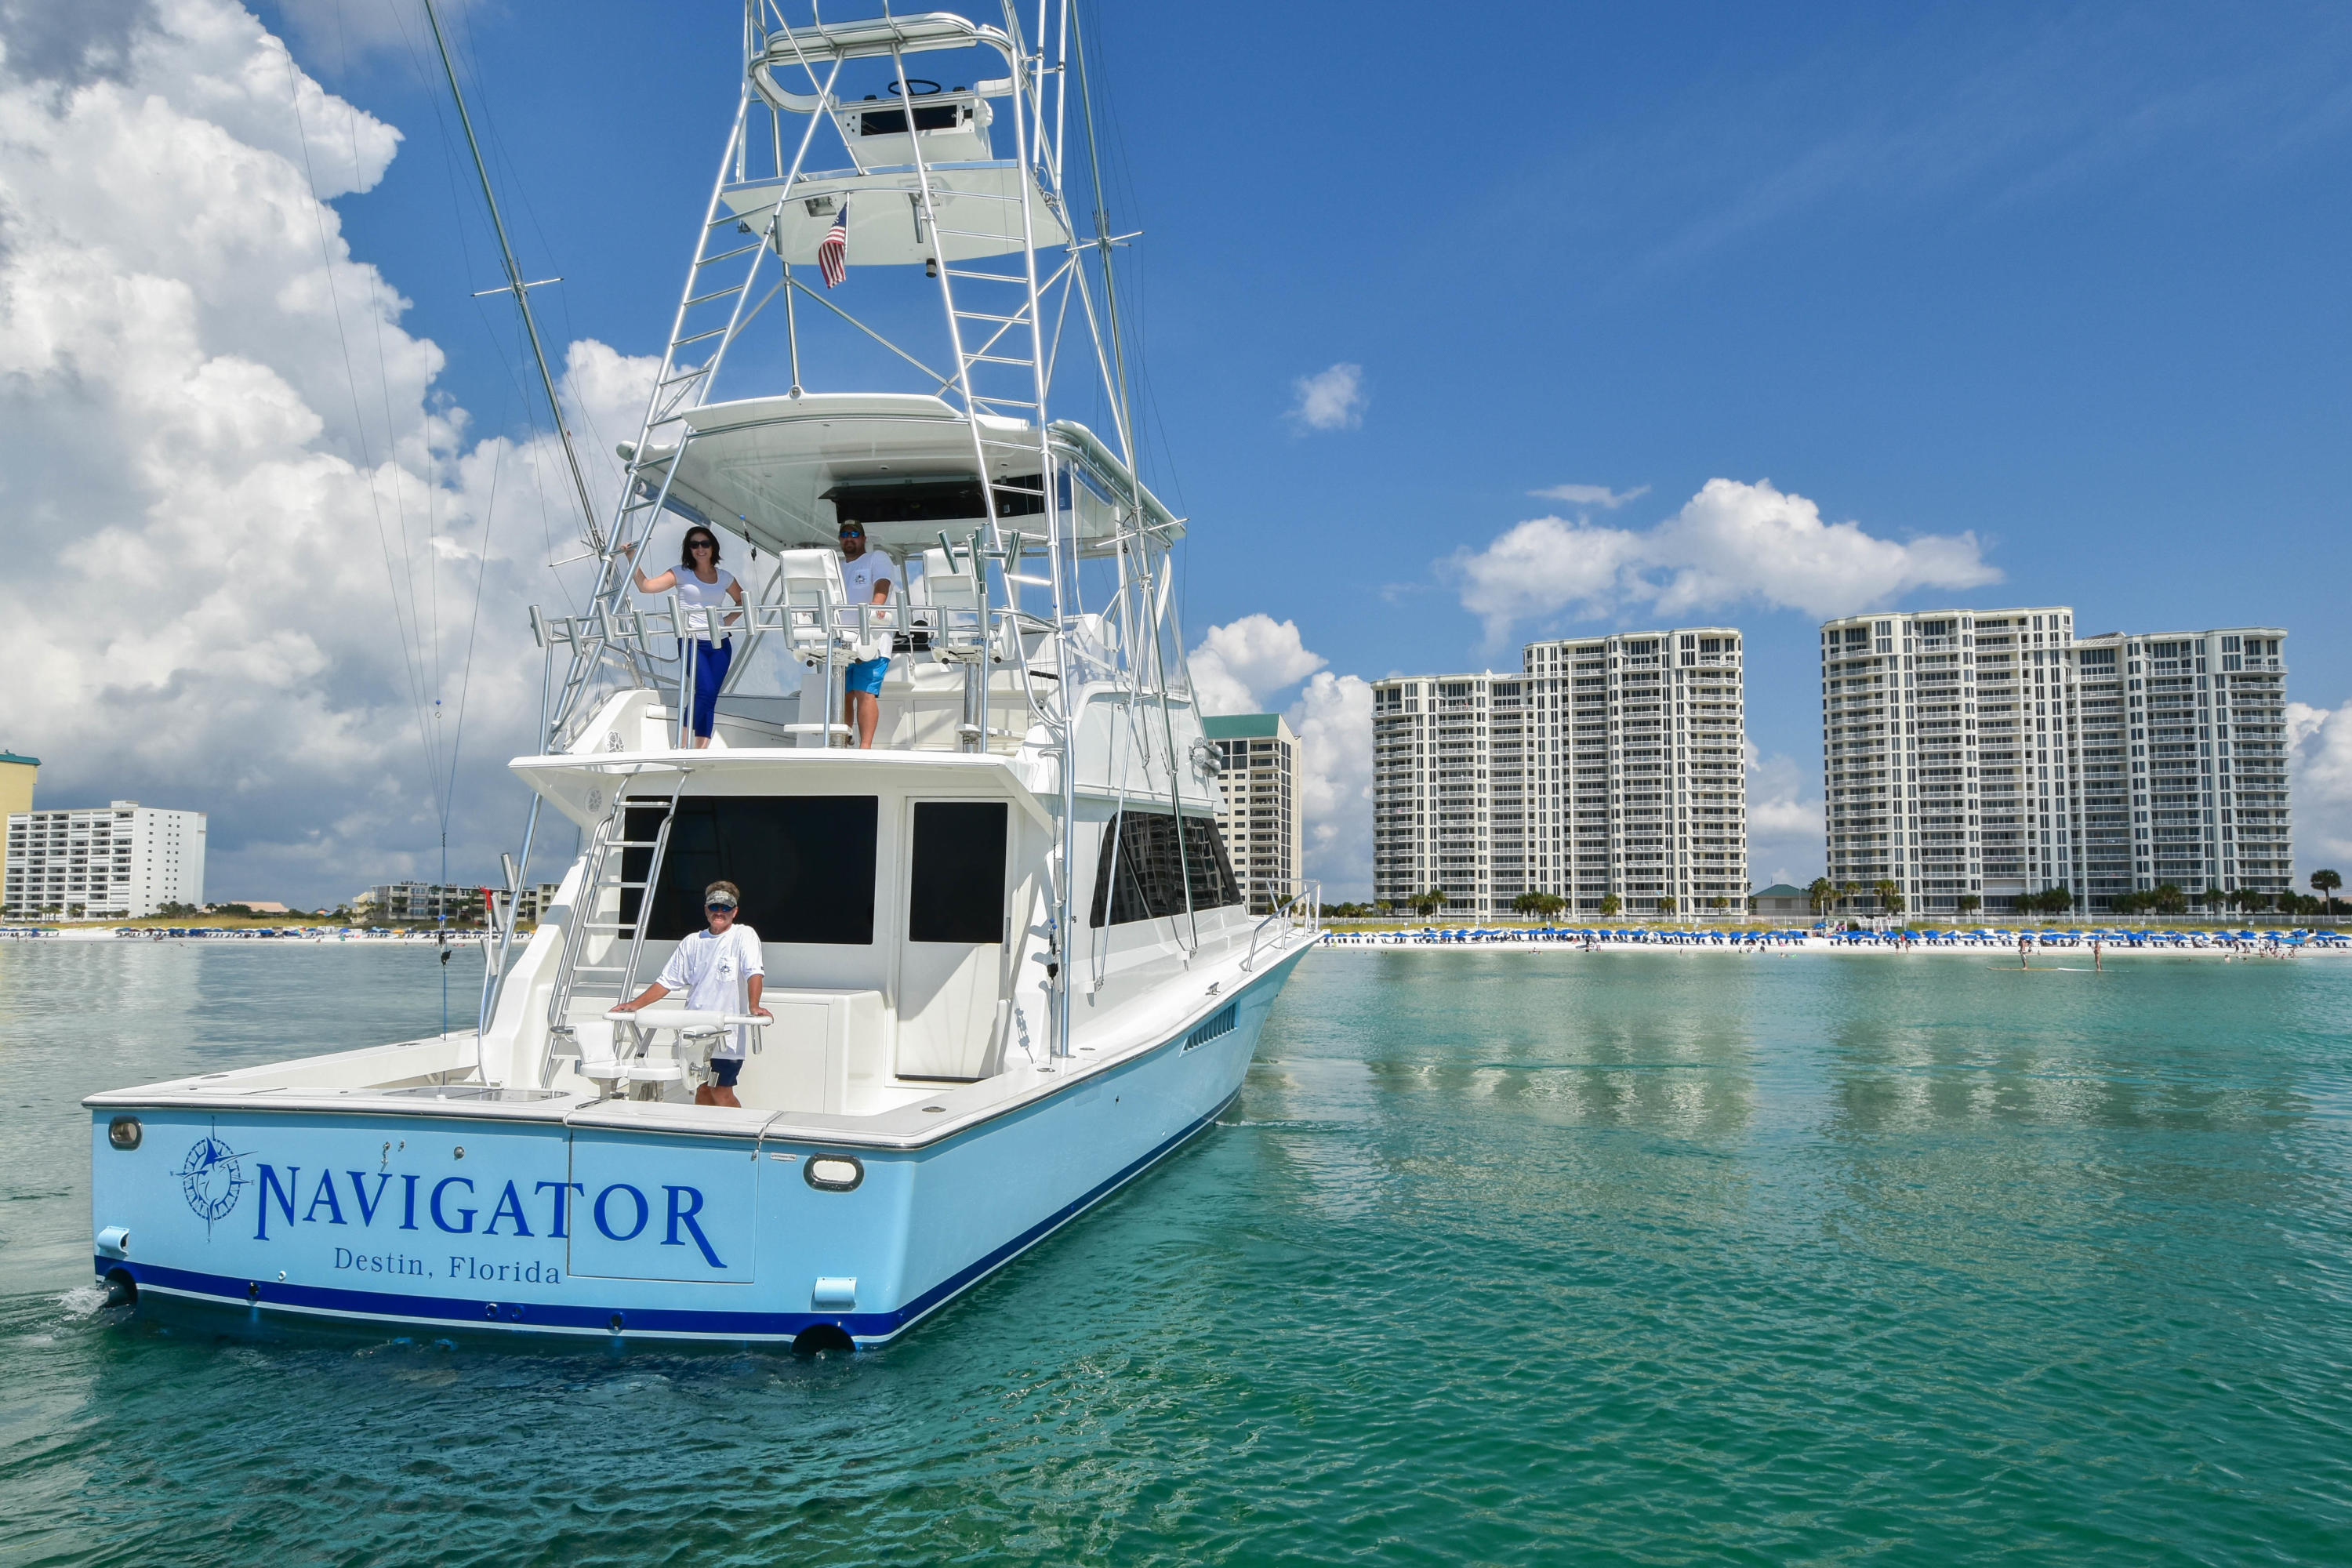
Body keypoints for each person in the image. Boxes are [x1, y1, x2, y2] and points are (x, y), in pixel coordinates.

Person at [611, 880, 769, 1108]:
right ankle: (706, 1137)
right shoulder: (692, 942)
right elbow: (666, 982)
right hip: (694, 1032)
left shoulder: (744, 935)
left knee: (721, 1091)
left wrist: (754, 1006)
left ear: (734, 911)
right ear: (706, 909)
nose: (719, 912)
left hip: (727, 1034)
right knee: (702, 1090)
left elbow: (754, 971)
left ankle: (739, 1135)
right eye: (714, 907)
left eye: (726, 908)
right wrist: (635, 1005)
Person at [619, 526, 743, 748]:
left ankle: (699, 750)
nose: (700, 549)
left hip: (720, 643)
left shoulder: (725, 577)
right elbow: (646, 587)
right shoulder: (680, 573)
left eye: (704, 544)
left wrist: (728, 621)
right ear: (689, 549)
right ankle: (682, 745)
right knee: (704, 691)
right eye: (694, 545)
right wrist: (631, 556)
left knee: (710, 697)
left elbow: (742, 601)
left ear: (713, 546)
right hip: (692, 642)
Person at [836, 517, 893, 749]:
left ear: (863, 538)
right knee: (845, 693)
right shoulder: (836, 566)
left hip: (872, 638)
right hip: (842, 638)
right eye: (845, 534)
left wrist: (876, 610)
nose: (850, 538)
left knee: (864, 692)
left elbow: (882, 583)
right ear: (840, 539)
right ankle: (844, 740)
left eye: (854, 534)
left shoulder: (875, 558)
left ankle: (865, 746)